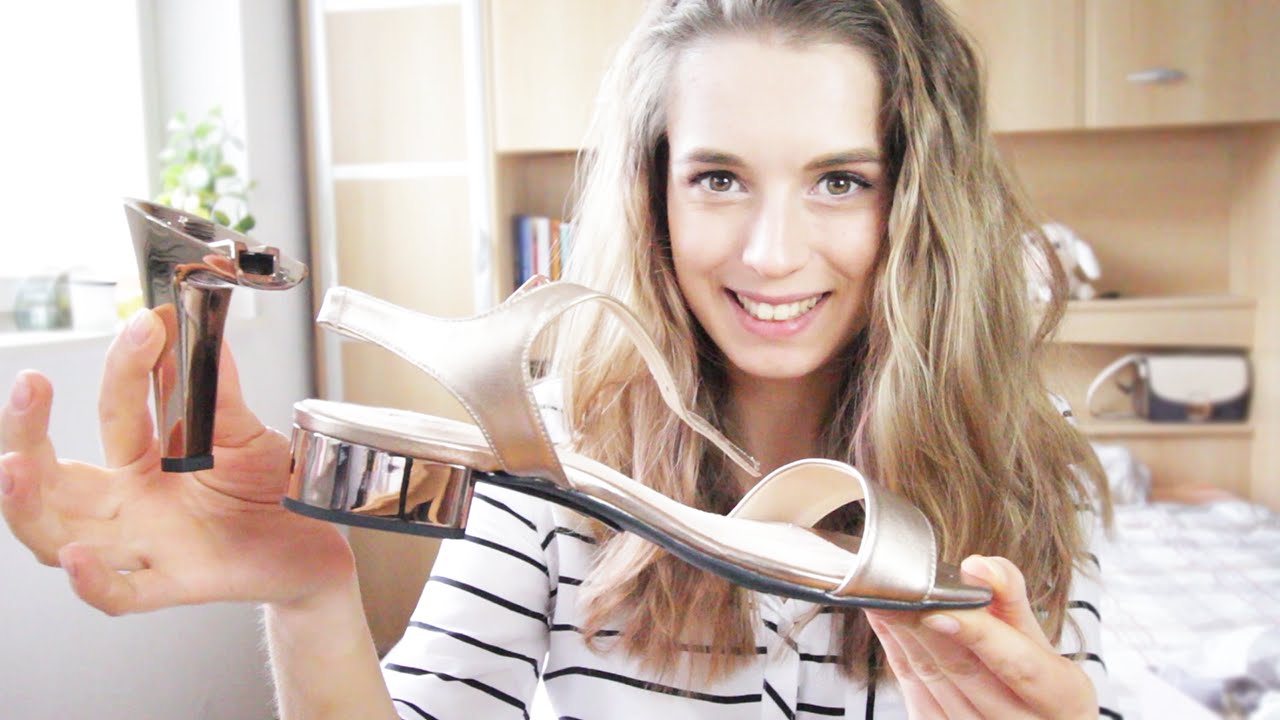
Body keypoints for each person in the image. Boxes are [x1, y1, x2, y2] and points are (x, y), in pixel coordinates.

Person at [1, 0, 1117, 717]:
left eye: (840, 180)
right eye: (717, 178)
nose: (772, 254)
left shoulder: (1025, 466)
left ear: (917, 203)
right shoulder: (549, 460)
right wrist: (308, 596)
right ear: (653, 196)